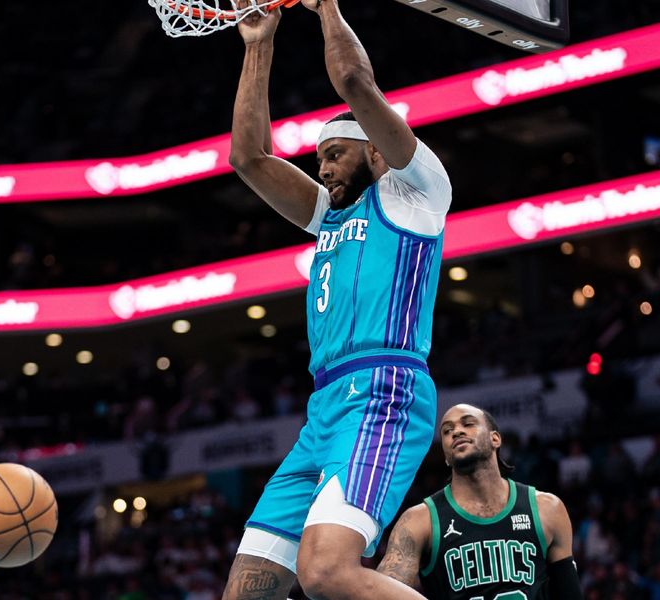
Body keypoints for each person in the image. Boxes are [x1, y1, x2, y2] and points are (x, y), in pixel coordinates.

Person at [223, 0, 452, 598]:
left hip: (384, 391)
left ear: (374, 152)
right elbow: (248, 157)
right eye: (318, 157)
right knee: (248, 592)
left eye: (333, 155)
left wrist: (325, 5)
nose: (322, 169)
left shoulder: (416, 195)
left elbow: (354, 79)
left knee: (325, 572)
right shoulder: (331, 216)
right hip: (323, 409)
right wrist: (258, 45)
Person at [377, 403, 583, 599]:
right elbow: (381, 595)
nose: (456, 432)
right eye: (447, 431)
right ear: (446, 457)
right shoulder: (420, 520)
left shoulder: (547, 508)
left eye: (468, 424)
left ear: (495, 439)